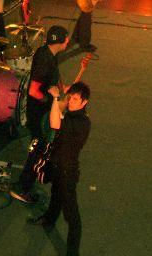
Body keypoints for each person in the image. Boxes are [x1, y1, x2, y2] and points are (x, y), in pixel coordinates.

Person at [10, 25, 70, 203]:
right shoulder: (45, 60)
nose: (68, 41)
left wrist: (61, 90)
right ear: (60, 41)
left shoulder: (47, 52)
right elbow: (34, 91)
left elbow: (53, 77)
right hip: (39, 115)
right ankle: (22, 187)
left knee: (38, 148)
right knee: (38, 150)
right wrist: (50, 99)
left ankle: (25, 183)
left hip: (41, 112)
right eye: (66, 38)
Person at [40, 81, 91, 256]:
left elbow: (54, 123)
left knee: (72, 217)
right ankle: (48, 219)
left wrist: (56, 98)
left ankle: (72, 252)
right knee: (55, 194)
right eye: (71, 98)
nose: (71, 102)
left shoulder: (80, 122)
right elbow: (61, 111)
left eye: (76, 99)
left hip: (67, 171)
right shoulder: (74, 115)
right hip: (60, 166)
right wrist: (63, 96)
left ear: (85, 102)